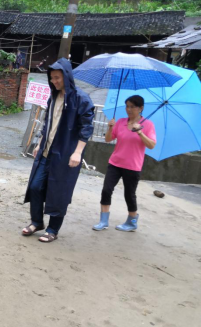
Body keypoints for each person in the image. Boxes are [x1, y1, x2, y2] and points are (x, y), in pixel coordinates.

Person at [22, 58, 95, 243]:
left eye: (57, 77)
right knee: (36, 186)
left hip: (66, 155)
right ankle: (37, 222)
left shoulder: (81, 98)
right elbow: (48, 123)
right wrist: (40, 143)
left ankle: (53, 229)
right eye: (52, 78)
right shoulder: (53, 97)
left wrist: (78, 152)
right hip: (47, 151)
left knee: (59, 191)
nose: (54, 81)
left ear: (67, 75)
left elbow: (87, 128)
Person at [92, 95, 156, 232]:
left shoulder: (148, 125)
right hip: (115, 162)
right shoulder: (120, 122)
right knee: (106, 190)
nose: (129, 109)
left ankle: (132, 222)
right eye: (127, 106)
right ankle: (103, 221)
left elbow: (151, 145)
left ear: (141, 108)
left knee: (129, 194)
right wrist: (110, 128)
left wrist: (140, 132)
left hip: (133, 165)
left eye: (133, 106)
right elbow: (108, 139)